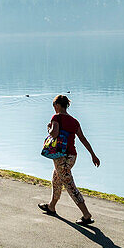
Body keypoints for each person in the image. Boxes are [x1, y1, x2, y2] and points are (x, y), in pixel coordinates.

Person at [38, 94, 100, 223]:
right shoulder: (74, 121)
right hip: (72, 156)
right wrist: (93, 155)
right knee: (56, 179)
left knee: (70, 185)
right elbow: (82, 139)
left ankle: (87, 215)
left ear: (57, 105)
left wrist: (49, 129)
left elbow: (54, 134)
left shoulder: (56, 117)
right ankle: (51, 207)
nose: (54, 108)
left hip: (61, 157)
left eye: (54, 106)